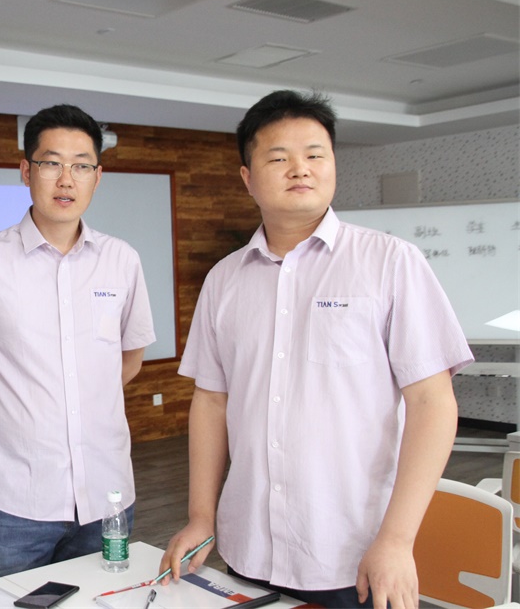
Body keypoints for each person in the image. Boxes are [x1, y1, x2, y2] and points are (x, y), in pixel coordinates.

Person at [160, 90, 472, 609]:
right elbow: (211, 401)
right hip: (249, 546)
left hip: (355, 552)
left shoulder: (390, 262)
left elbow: (432, 403)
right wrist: (200, 516)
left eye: (315, 154)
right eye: (278, 158)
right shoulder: (224, 280)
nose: (299, 168)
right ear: (247, 177)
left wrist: (397, 541)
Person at [0, 104, 156, 579]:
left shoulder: (122, 260)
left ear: (98, 176)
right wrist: (12, 418)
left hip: (106, 492)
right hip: (13, 495)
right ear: (26, 171)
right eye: (51, 163)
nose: (66, 179)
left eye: (82, 166)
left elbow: (130, 357)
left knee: (103, 601)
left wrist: (79, 402)